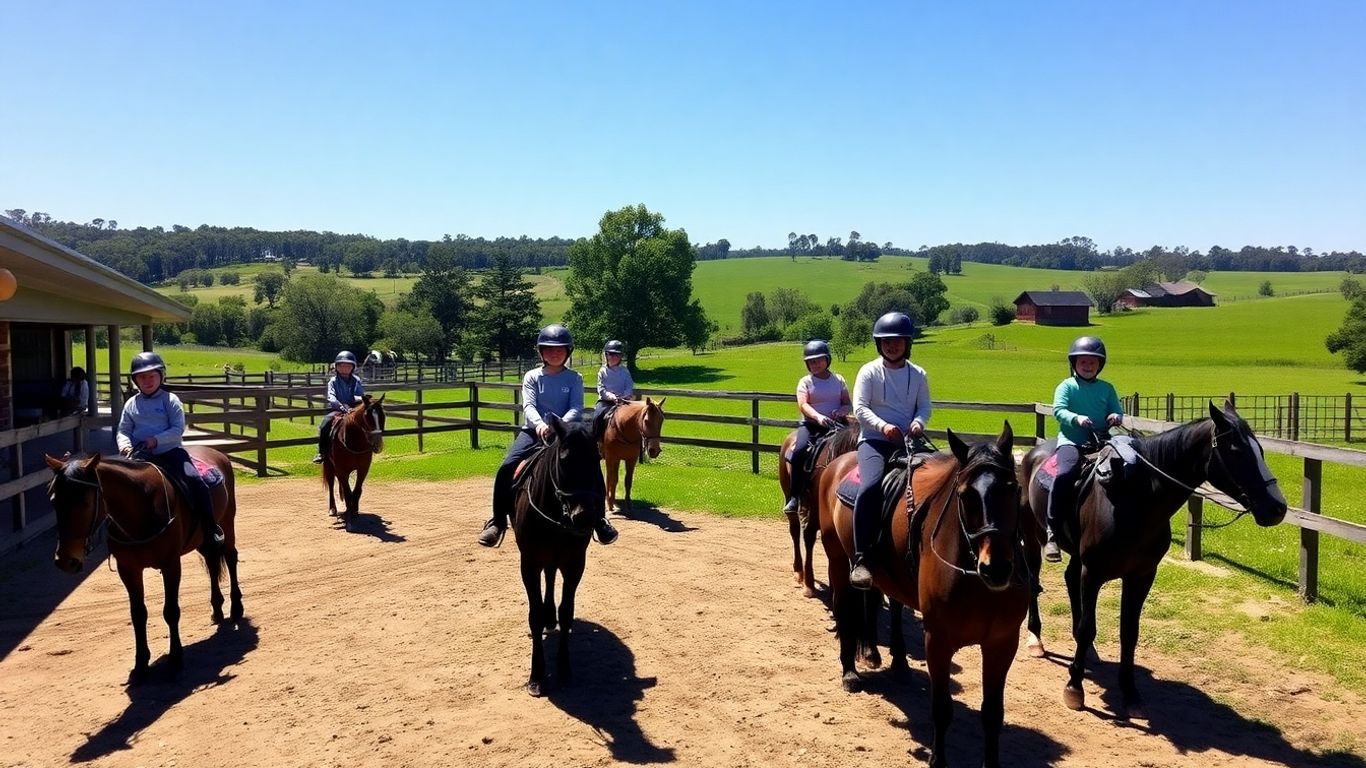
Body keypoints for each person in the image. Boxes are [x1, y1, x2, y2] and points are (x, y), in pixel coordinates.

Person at [478, 324, 618, 548]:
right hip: (534, 432)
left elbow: (576, 407)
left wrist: (559, 425)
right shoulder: (532, 376)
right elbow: (529, 405)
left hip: (565, 434)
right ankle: (497, 522)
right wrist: (541, 425)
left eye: (560, 349)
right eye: (550, 349)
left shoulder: (574, 378)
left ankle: (600, 520)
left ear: (567, 352)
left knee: (591, 466)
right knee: (507, 466)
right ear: (541, 351)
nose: (555, 353)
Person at [849, 312, 932, 590]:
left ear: (907, 344)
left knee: (939, 480)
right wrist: (883, 427)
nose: (891, 346)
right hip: (874, 441)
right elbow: (860, 408)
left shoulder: (918, 374)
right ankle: (861, 558)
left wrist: (919, 422)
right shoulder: (869, 371)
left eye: (897, 341)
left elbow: (924, 407)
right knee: (870, 486)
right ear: (879, 344)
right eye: (886, 342)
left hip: (909, 441)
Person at [116, 351, 221, 544]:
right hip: (138, 455)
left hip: (170, 453)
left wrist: (155, 440)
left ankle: (210, 527)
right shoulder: (131, 403)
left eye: (151, 376)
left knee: (194, 479)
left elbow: (177, 429)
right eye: (142, 377)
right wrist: (125, 446)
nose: (147, 381)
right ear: (135, 380)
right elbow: (123, 429)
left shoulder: (170, 400)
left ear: (161, 376)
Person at [1043, 336, 1124, 562]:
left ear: (1100, 365)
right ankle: (1052, 533)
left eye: (1092, 362)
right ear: (1074, 364)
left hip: (1103, 441)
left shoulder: (1107, 388)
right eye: (1083, 362)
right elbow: (1059, 410)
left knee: (1129, 467)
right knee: (1065, 474)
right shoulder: (1066, 386)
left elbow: (1117, 409)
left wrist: (1116, 416)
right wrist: (1076, 418)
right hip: (1072, 441)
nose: (1087, 366)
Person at [783, 339, 851, 513]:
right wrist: (818, 417)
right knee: (798, 452)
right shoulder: (805, 382)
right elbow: (803, 404)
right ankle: (795, 496)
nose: (814, 364)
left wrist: (842, 411)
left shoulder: (839, 380)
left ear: (827, 360)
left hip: (836, 425)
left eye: (818, 360)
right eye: (810, 361)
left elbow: (847, 403)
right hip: (812, 425)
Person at [313, 351, 365, 464]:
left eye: (348, 365)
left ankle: (369, 448)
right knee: (325, 424)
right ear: (336, 367)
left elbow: (359, 394)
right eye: (341, 365)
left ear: (353, 367)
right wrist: (342, 406)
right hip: (336, 409)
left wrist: (357, 402)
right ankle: (322, 453)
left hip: (353, 409)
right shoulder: (333, 381)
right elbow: (331, 397)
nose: (345, 367)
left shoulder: (356, 380)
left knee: (368, 422)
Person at [592, 339, 635, 439]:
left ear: (621, 356)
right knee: (597, 416)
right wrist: (612, 397)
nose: (613, 357)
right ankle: (597, 440)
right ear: (606, 355)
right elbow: (601, 389)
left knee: (637, 416)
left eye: (617, 355)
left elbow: (629, 386)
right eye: (610, 354)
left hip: (624, 400)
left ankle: (639, 445)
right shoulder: (602, 371)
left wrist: (623, 397)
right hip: (606, 401)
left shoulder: (625, 371)